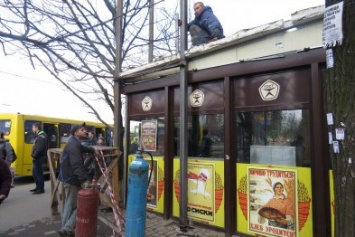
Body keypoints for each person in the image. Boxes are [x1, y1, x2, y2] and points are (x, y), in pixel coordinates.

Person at [58, 123, 99, 237]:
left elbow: (83, 148)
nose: (85, 131)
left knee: (69, 205)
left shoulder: (75, 143)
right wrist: (84, 181)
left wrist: (92, 149)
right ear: (76, 133)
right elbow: (77, 164)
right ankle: (67, 228)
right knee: (76, 205)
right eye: (82, 130)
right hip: (71, 179)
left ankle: (65, 229)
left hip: (68, 178)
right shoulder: (74, 145)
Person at [30, 122, 47, 194]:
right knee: (34, 173)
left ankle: (41, 189)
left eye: (33, 127)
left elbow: (39, 148)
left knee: (38, 173)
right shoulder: (40, 135)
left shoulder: (40, 136)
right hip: (38, 157)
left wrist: (34, 155)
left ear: (37, 128)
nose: (32, 129)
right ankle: (37, 187)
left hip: (39, 158)